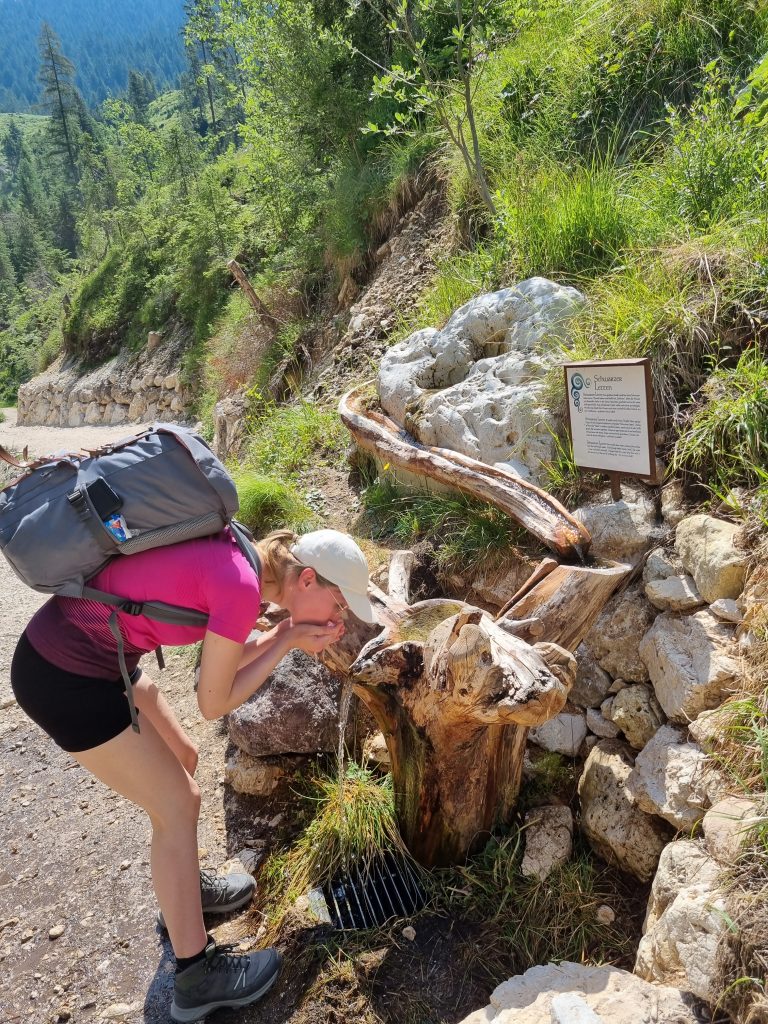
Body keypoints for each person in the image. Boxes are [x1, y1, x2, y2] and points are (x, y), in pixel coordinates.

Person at [10, 526, 376, 1022]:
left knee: (183, 758)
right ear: (306, 580)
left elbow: (218, 669)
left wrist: (278, 636)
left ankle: (186, 893)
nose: (339, 617)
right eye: (339, 604)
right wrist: (287, 640)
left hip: (105, 655)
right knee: (178, 803)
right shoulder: (242, 585)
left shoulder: (241, 559)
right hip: (66, 676)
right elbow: (214, 702)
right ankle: (195, 976)